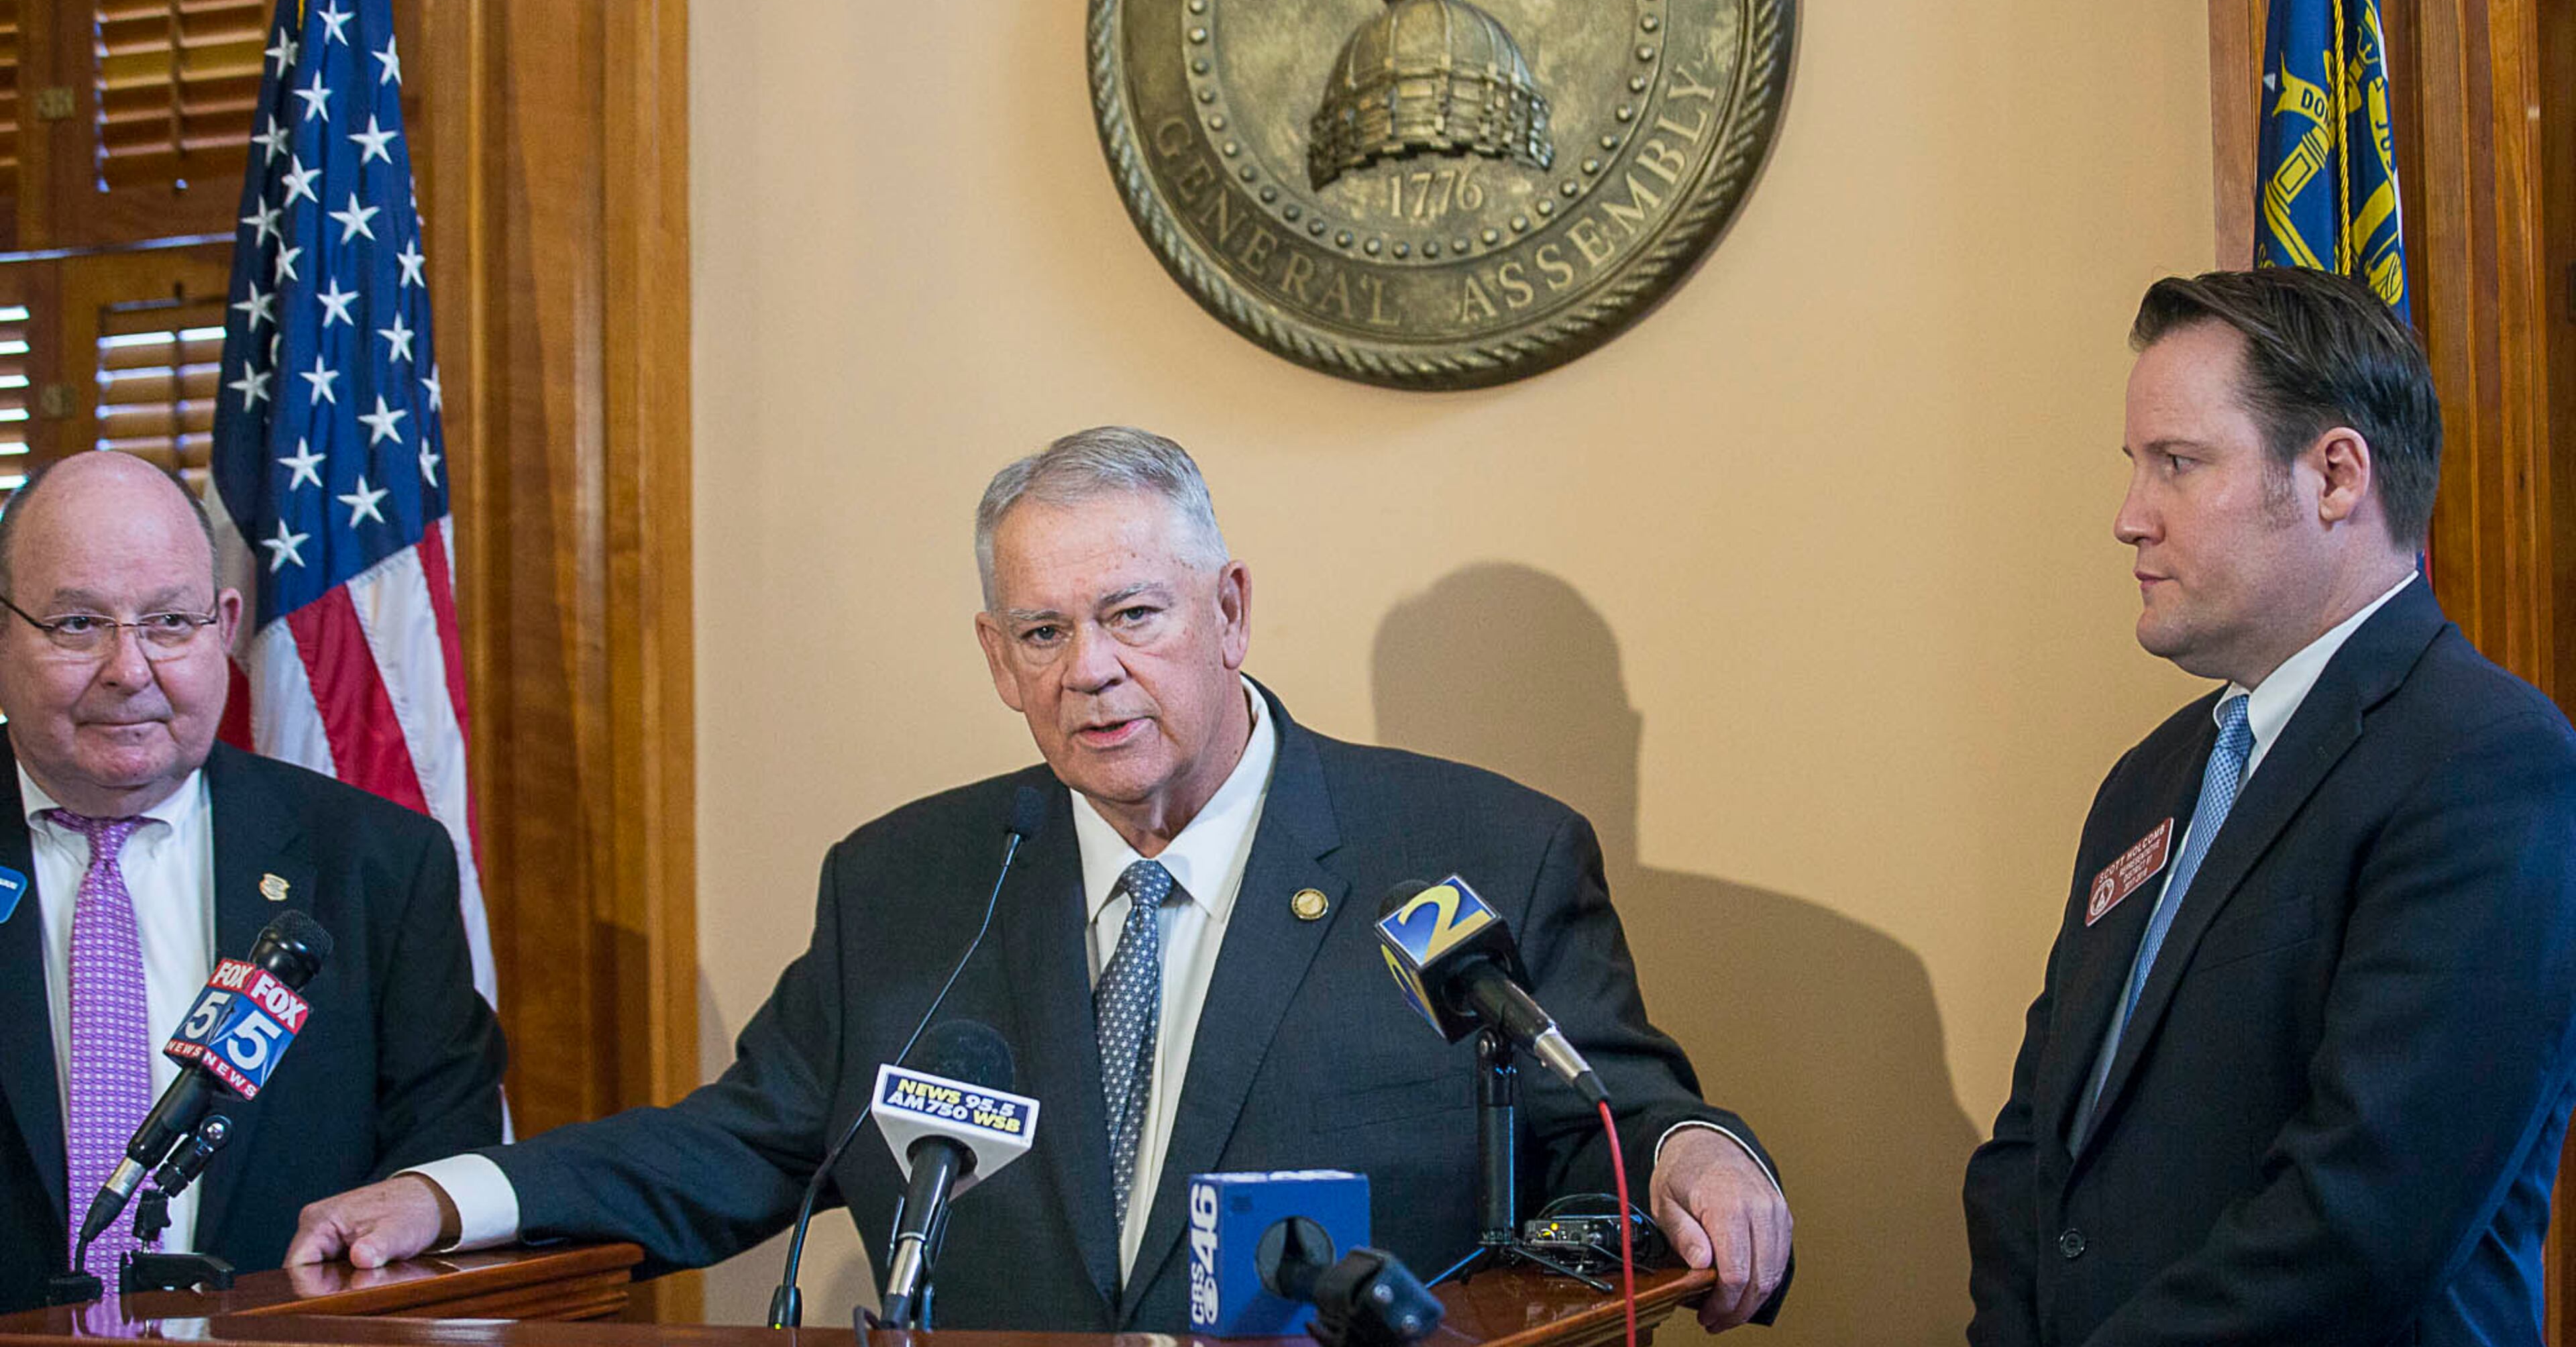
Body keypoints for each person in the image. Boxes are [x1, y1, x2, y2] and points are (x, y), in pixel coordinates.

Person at [290, 426, 1793, 1331]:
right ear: (996, 659)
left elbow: (1616, 1122)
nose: (1094, 674)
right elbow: (737, 1146)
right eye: (1041, 633)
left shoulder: (1468, 855)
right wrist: (454, 1191)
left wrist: (1699, 1155)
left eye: (1133, 614)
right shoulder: (908, 882)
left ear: (1232, 611)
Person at [1962, 268, 2576, 1345]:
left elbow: (2364, 1220)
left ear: (2337, 475)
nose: (2128, 518)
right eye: (2135, 467)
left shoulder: (2487, 764)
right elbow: (2035, 1147)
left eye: (2178, 465)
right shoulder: (2149, 780)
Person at [0, 452, 506, 1314]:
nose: (129, 669)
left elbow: (438, 1179)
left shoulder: (379, 867)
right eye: (78, 624)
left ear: (224, 625)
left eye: (168, 623)